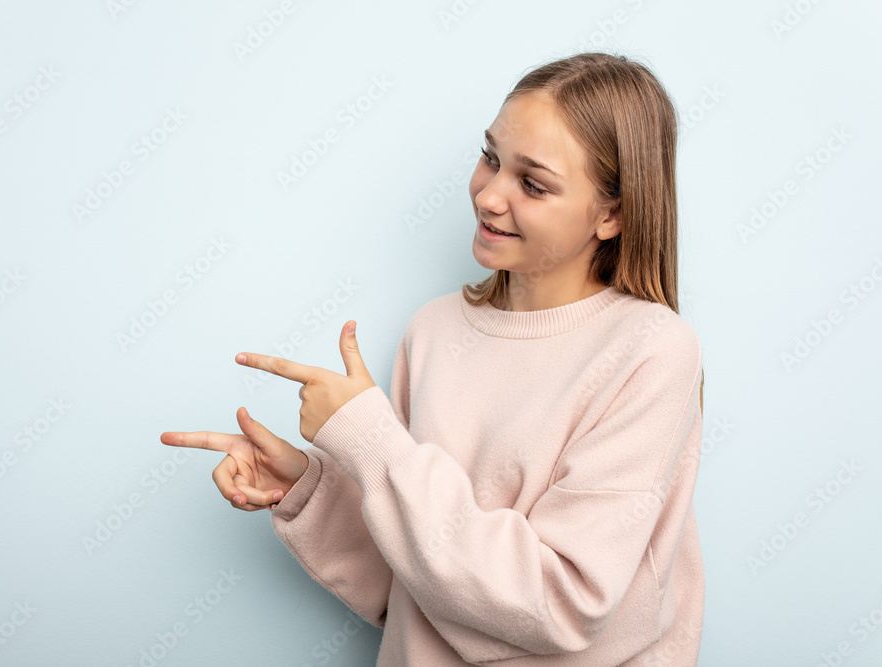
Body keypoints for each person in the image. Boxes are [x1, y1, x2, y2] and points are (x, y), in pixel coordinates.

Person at [161, 51, 706, 666]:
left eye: (532, 183)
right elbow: (416, 585)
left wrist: (368, 439)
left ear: (612, 214)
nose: (490, 195)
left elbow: (561, 604)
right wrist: (308, 489)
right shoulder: (435, 330)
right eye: (491, 158)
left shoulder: (651, 351)